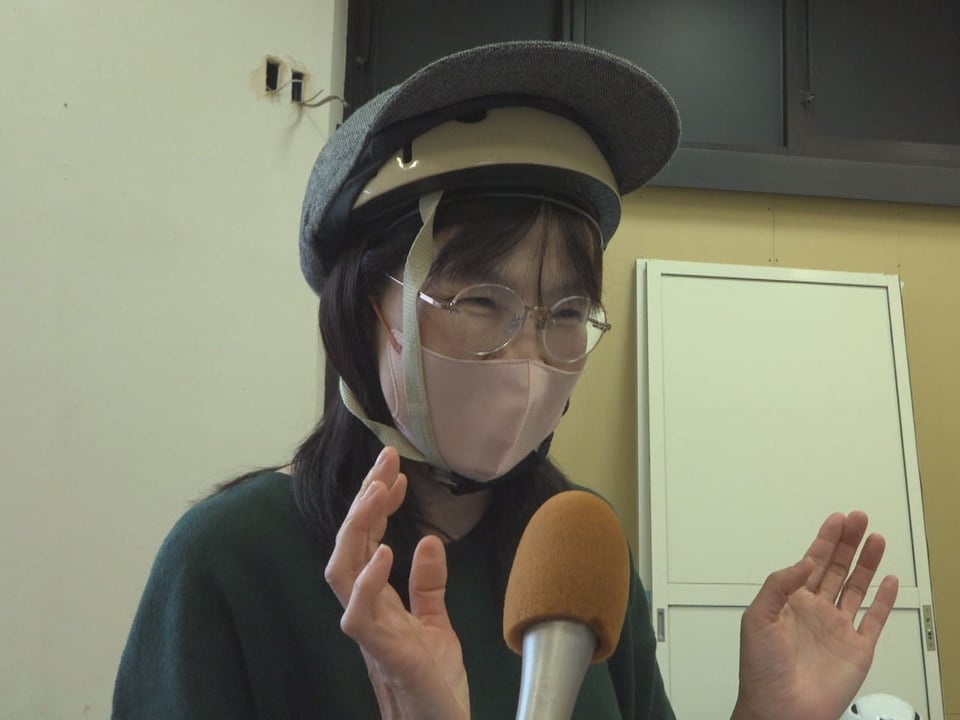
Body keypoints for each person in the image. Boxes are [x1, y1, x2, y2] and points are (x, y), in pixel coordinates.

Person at [113, 40, 899, 719]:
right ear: (366, 313)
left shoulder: (577, 552)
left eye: (567, 313)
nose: (528, 358)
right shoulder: (232, 561)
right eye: (481, 302)